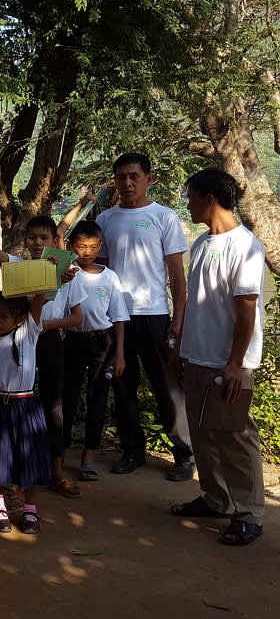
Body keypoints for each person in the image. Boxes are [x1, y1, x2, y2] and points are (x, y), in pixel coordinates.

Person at [170, 168, 266, 546]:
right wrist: (180, 347)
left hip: (230, 362)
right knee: (203, 434)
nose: (188, 204)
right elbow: (194, 303)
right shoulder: (201, 245)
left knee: (234, 437)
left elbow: (246, 310)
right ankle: (216, 499)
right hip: (197, 354)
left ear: (210, 199)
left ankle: (248, 513)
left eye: (192, 197)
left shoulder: (246, 247)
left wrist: (235, 364)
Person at [0, 188, 85, 498]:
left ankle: (55, 472)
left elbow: (78, 318)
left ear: (55, 241)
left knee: (53, 406)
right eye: (32, 238)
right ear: (26, 241)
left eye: (44, 238)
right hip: (15, 342)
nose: (38, 244)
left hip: (48, 341)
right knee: (11, 404)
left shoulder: (66, 272)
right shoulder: (17, 265)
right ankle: (13, 474)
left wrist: (44, 325)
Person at [96, 153, 192, 479]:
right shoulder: (106, 220)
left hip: (154, 314)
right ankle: (132, 450)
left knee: (167, 386)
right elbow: (102, 272)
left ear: (148, 178)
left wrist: (177, 321)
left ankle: (183, 453)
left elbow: (177, 275)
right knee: (122, 387)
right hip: (116, 318)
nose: (127, 183)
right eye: (121, 177)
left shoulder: (164, 217)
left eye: (134, 176)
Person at [0, 293, 51, 535]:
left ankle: (30, 508)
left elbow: (38, 301)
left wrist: (49, 272)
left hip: (26, 405)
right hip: (0, 405)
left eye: (3, 316)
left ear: (19, 319)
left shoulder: (27, 333)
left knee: (30, 458)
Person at [62, 222, 129, 482]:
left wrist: (120, 353)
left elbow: (119, 318)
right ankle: (61, 451)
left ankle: (89, 455)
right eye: (81, 247)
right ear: (71, 247)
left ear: (100, 247)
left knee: (97, 397)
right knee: (67, 398)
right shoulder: (67, 273)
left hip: (103, 342)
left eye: (92, 247)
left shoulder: (109, 277)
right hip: (72, 340)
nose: (86, 252)